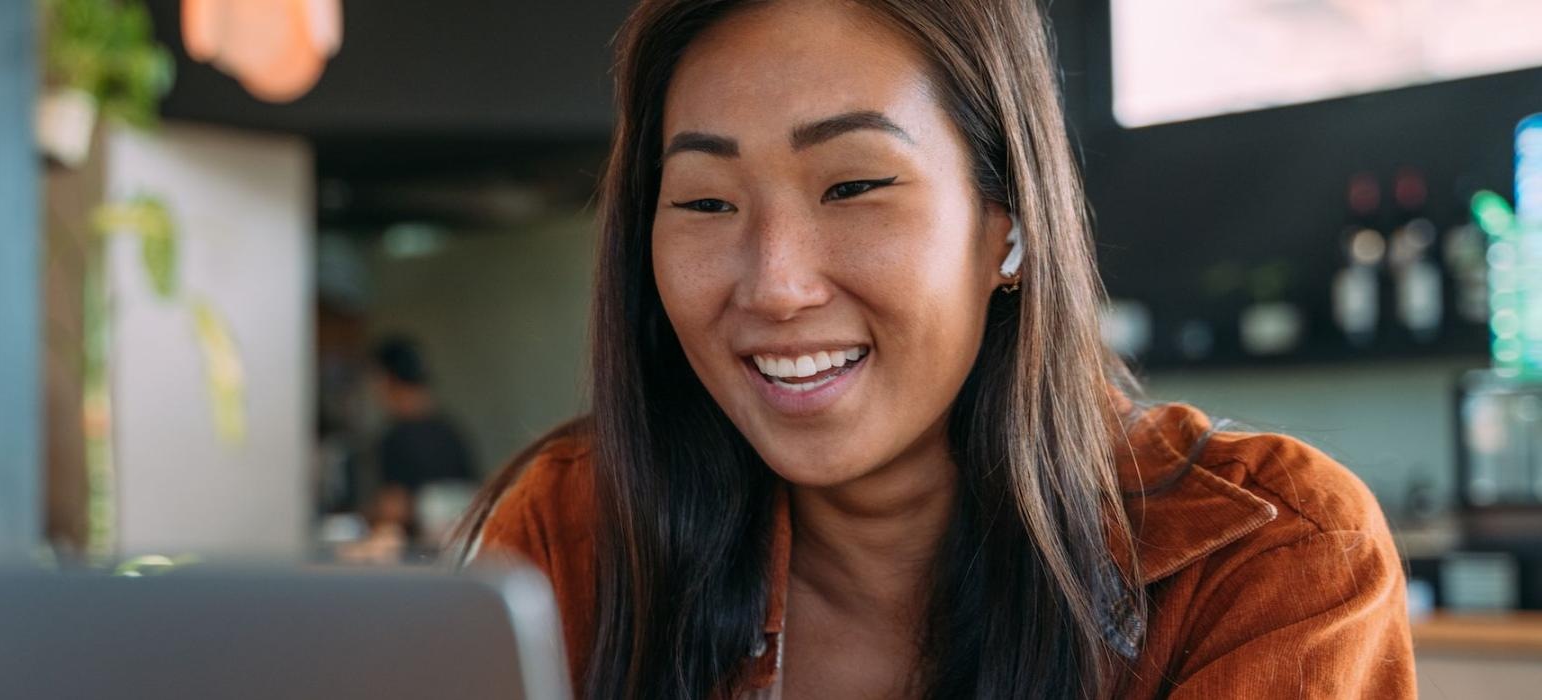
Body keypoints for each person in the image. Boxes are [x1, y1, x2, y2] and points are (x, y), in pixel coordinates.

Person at [457, 1, 1416, 698]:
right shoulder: (574, 535)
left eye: (855, 186)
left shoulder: (1270, 562)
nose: (776, 285)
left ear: (1006, 222)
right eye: (706, 202)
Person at [366, 337, 477, 545]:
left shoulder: (396, 438)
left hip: (418, 557)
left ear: (386, 380)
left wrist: (366, 517)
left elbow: (394, 508)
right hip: (458, 554)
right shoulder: (452, 432)